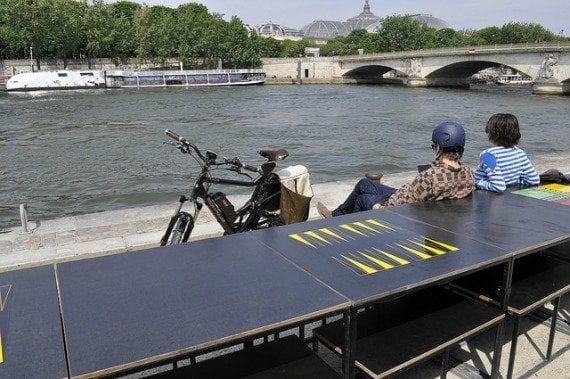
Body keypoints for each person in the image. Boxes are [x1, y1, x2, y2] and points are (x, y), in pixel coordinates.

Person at [317, 121, 475, 218]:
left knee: (362, 198)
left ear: (439, 147)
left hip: (398, 205)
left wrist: (381, 207)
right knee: (364, 184)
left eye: (434, 146)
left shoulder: (429, 177)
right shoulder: (468, 173)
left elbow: (405, 206)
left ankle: (340, 222)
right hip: (411, 194)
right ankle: (336, 216)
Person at [474, 113, 539, 192]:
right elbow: (534, 180)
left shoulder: (488, 155)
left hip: (487, 196)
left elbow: (498, 186)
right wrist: (513, 182)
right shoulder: (520, 153)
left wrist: (478, 183)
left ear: (495, 134)